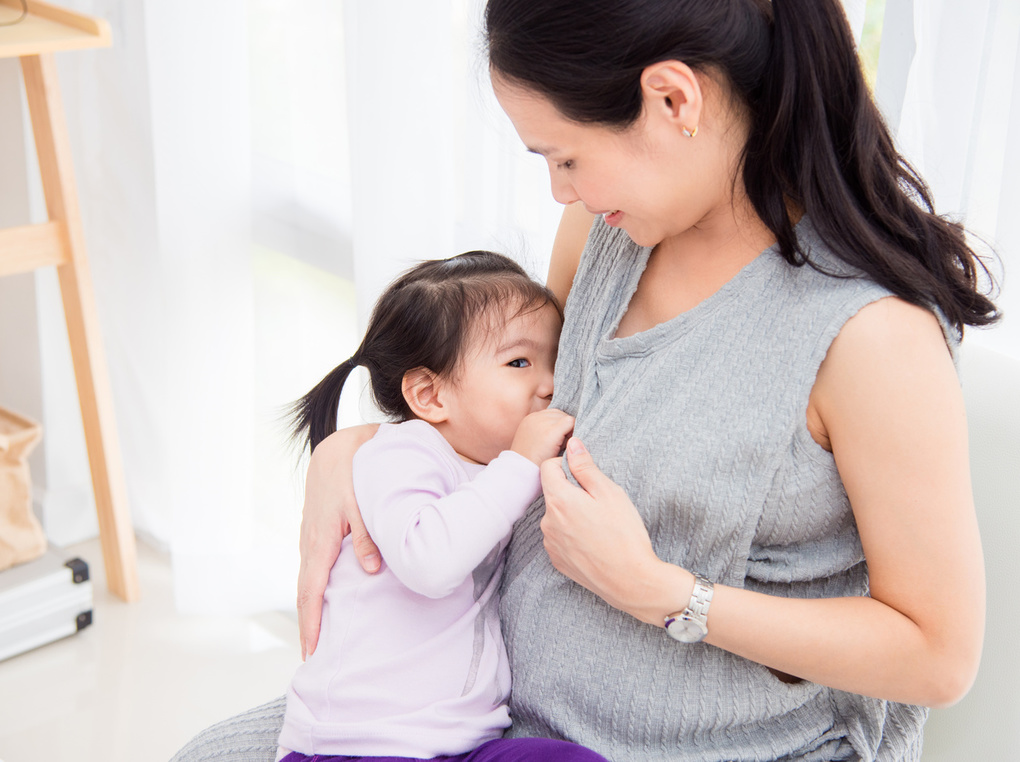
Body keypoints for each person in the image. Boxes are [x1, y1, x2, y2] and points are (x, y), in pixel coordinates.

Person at [172, 1, 998, 760]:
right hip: (480, 715)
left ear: (674, 101)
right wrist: (356, 450)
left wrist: (665, 594)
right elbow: (520, 403)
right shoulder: (610, 230)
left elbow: (936, 654)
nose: (559, 190)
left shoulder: (870, 336)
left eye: (565, 156)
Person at [273, 250, 609, 762]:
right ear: (430, 396)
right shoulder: (401, 453)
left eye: (554, 361)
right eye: (519, 363)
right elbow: (429, 563)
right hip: (360, 744)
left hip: (458, 744)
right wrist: (520, 464)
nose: (550, 385)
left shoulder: (490, 467)